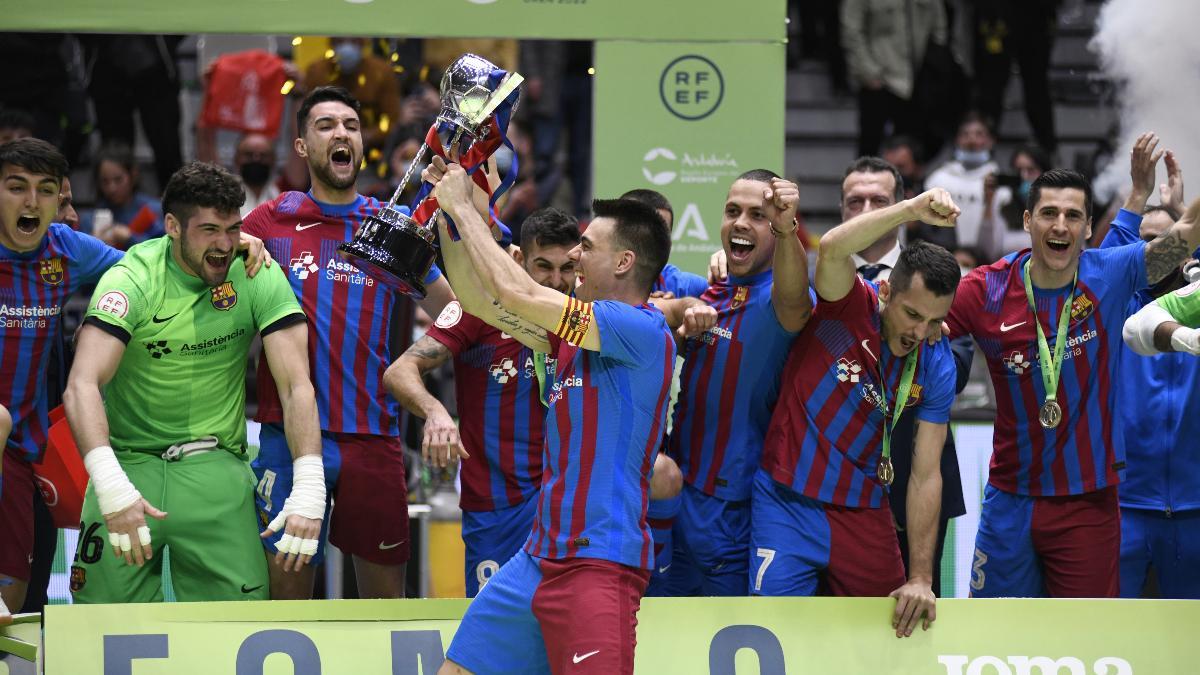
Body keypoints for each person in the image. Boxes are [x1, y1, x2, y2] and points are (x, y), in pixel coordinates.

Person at [428, 154, 677, 673]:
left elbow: (515, 289)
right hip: (537, 558)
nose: (575, 256)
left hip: (599, 564)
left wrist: (469, 212)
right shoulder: (572, 336)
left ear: (624, 262)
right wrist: (453, 214)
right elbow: (481, 300)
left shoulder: (640, 330)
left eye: (586, 247)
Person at [63, 161, 321, 604]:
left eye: (232, 228)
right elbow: (81, 384)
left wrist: (310, 482)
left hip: (216, 473)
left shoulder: (256, 270)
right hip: (129, 471)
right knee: (96, 632)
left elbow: (296, 385)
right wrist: (109, 482)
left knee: (237, 637)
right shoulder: (133, 278)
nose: (224, 245)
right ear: (172, 227)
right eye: (208, 230)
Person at [946, 164, 1200, 599]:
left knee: (1088, 643)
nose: (1059, 225)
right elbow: (918, 321)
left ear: (1086, 227)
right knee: (994, 637)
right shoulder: (983, 290)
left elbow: (1188, 231)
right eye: (1048, 213)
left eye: (1072, 215)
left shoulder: (1111, 273)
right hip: (1011, 498)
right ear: (1027, 221)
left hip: (1090, 502)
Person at [242, 86, 454, 600]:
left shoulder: (391, 228)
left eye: (352, 126)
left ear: (362, 145)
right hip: (286, 441)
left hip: (373, 439)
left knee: (385, 611)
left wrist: (411, 364)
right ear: (301, 146)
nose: (341, 133)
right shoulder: (270, 222)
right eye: (326, 125)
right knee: (286, 606)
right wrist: (236, 240)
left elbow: (452, 314)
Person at [753, 182, 962, 639]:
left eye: (933, 319)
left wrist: (922, 578)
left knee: (893, 635)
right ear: (887, 290)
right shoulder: (848, 304)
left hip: (864, 512)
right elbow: (831, 247)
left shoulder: (937, 361)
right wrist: (910, 208)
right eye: (912, 314)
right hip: (787, 500)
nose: (920, 331)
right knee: (772, 636)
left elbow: (926, 473)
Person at [385, 207, 580, 597]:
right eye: (544, 266)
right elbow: (400, 371)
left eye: (566, 269)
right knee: (494, 640)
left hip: (565, 509)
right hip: (496, 511)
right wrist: (437, 413)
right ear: (518, 259)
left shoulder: (581, 319)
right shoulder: (477, 308)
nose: (556, 282)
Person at [664, 169, 812, 597]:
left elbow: (794, 297)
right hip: (677, 498)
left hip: (735, 508)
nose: (741, 222)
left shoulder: (780, 299)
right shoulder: (712, 290)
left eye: (758, 215)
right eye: (732, 212)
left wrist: (787, 229)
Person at [835, 157, 972, 599]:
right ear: (841, 210)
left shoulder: (941, 279)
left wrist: (922, 330)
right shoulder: (827, 285)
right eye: (856, 201)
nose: (867, 209)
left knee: (912, 616)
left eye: (880, 200)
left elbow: (961, 361)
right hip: (833, 485)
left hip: (918, 477)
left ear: (902, 206)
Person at [0, 138, 124, 620]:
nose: (31, 202)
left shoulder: (65, 251)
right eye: (16, 188)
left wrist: (228, 243)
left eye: (45, 190)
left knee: (15, 607)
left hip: (21, 456)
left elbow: (146, 270)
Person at [1107, 135, 1200, 598]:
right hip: (1122, 505)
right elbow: (1102, 266)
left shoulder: (1197, 303)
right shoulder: (1113, 307)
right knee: (1110, 641)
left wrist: (1188, 218)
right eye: (1148, 243)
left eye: (1172, 242)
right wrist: (1137, 197)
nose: (1159, 252)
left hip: (1196, 508)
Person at [841, 0, 947, 157]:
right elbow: (851, 31)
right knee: (870, 149)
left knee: (914, 149)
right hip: (879, 79)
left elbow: (939, 27)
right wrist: (869, 73)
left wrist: (932, 66)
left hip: (917, 79)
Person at [303, 38, 402, 153]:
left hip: (372, 151)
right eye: (340, 41)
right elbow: (308, 120)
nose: (347, 48)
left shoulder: (381, 72)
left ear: (363, 43)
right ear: (332, 43)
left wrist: (365, 136)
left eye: (354, 41)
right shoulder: (317, 72)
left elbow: (393, 120)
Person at [925, 112, 1002, 252]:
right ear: (956, 140)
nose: (971, 140)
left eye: (979, 134)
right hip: (943, 255)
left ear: (991, 141)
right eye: (965, 134)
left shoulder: (999, 181)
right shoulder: (937, 179)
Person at [620, 188, 707, 299]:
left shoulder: (685, 287)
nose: (653, 242)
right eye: (643, 230)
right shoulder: (593, 280)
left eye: (661, 233)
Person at [980, 144, 1052, 259]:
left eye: (1031, 170)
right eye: (1018, 171)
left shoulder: (1058, 207)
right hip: (1008, 275)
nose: (1024, 176)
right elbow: (988, 252)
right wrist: (989, 202)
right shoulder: (1003, 205)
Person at [87, 142, 165, 249]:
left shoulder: (153, 210)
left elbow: (163, 251)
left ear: (133, 174)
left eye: (118, 180)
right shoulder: (91, 218)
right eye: (105, 181)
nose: (112, 188)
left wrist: (129, 238)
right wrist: (91, 243)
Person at [234, 133, 281, 217]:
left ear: (273, 160)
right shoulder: (224, 196)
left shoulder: (285, 194)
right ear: (237, 158)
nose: (256, 159)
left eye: (263, 155)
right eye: (249, 154)